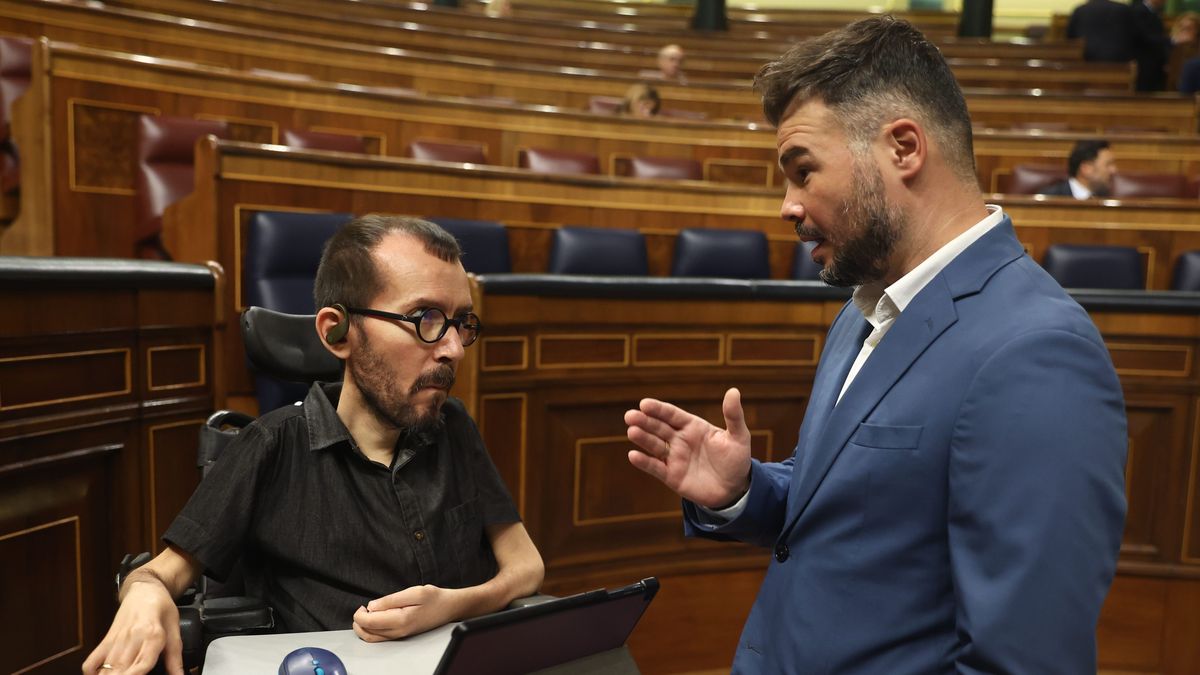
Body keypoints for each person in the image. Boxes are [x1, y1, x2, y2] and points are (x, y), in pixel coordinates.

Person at [624, 16, 1127, 674]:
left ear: (903, 148)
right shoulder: (865, 306)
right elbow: (858, 510)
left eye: (803, 171)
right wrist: (746, 489)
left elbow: (1023, 662)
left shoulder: (1039, 353)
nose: (787, 205)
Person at [83, 215, 544, 674]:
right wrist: (144, 596)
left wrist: (454, 606)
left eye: (460, 322)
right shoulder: (271, 445)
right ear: (336, 332)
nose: (453, 349)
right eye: (425, 318)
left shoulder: (454, 427)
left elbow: (525, 567)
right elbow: (158, 574)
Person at [1040, 139, 1117, 198]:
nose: (1114, 170)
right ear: (1086, 168)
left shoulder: (1108, 199)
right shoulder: (1050, 198)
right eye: (1108, 164)